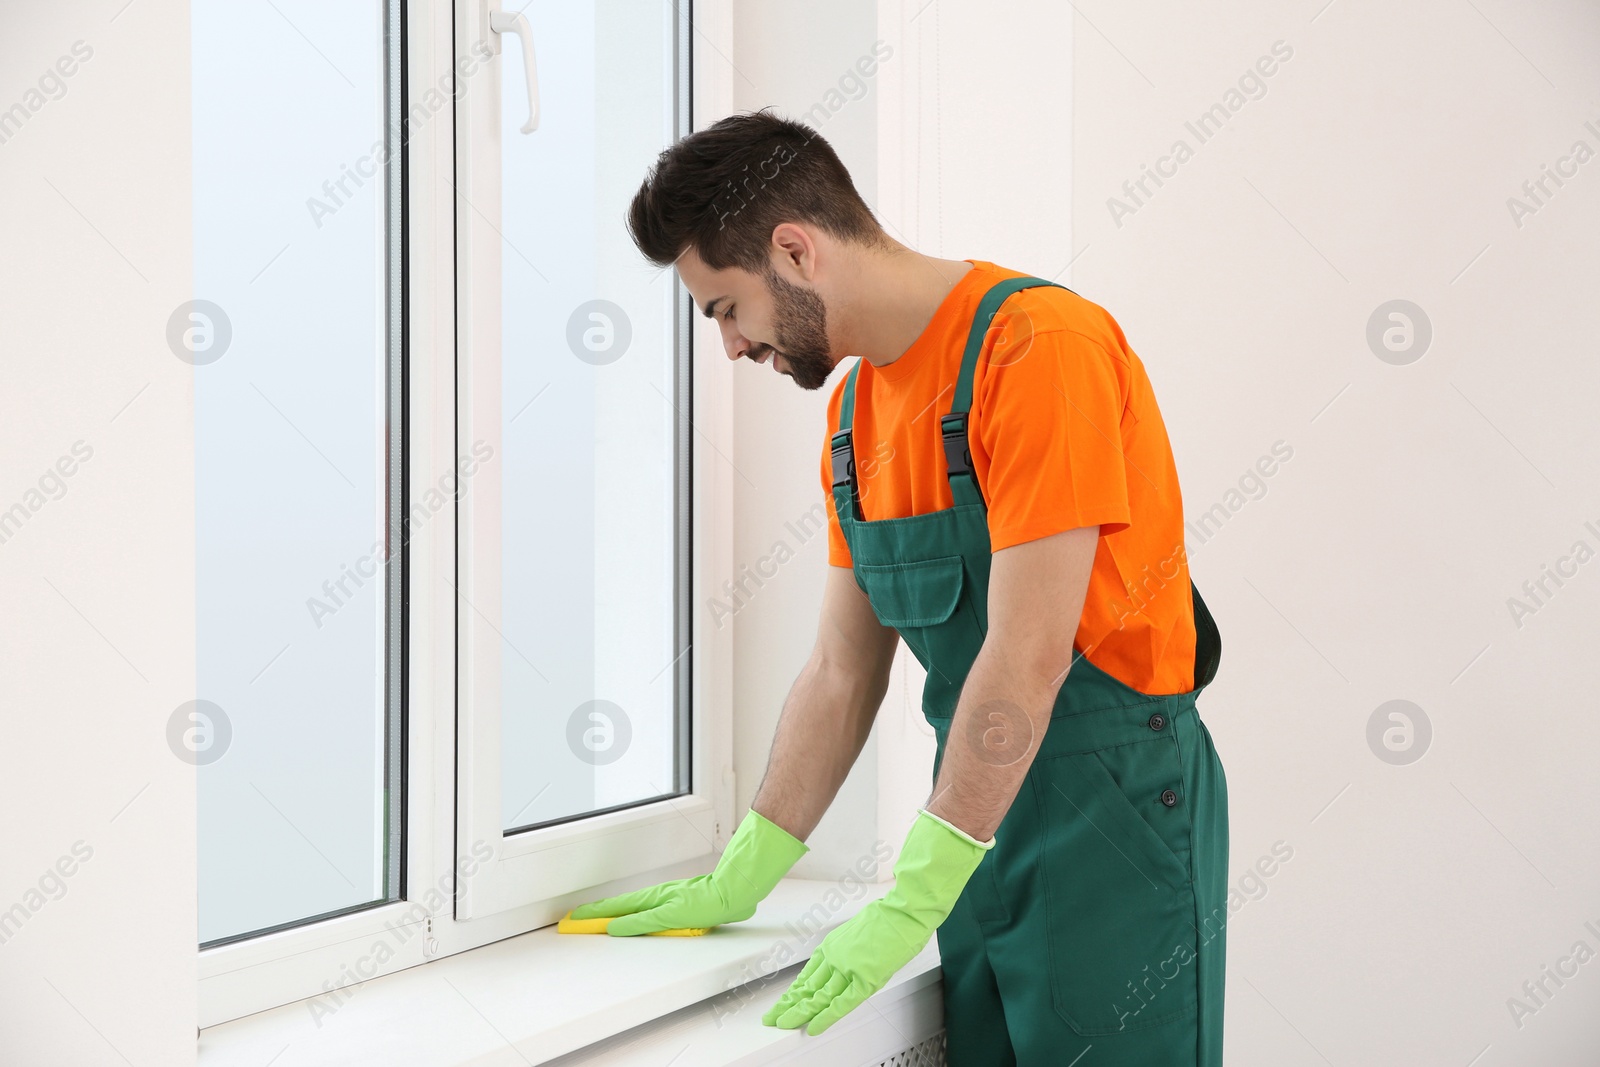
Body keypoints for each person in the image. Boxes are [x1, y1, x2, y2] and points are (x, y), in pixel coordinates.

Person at [567, 109, 1229, 1067]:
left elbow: (1028, 652)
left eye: (724, 308)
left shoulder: (1037, 348)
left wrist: (916, 890)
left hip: (1113, 814)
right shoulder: (851, 420)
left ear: (793, 250)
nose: (732, 347)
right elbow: (841, 670)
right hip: (974, 817)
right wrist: (748, 868)